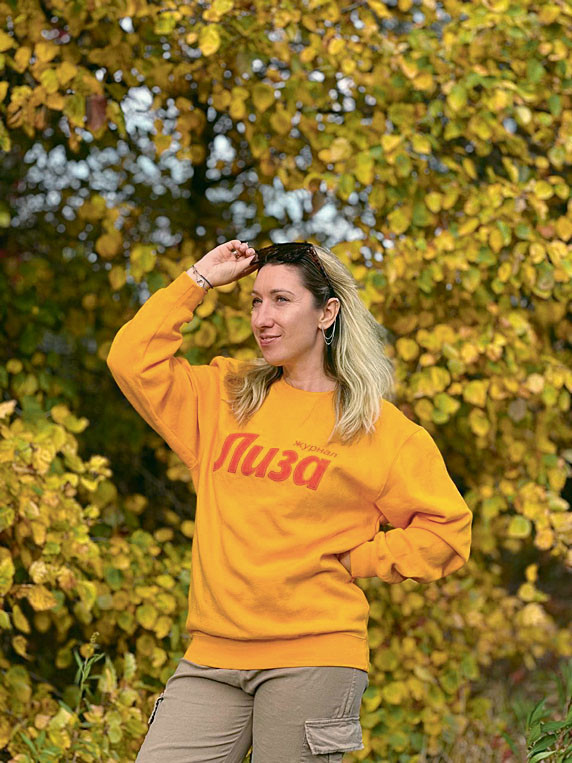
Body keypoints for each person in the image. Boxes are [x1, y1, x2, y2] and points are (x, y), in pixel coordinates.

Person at [106, 239, 473, 763]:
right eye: (256, 301)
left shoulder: (380, 430)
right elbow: (131, 359)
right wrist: (199, 278)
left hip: (314, 654)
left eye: (281, 300)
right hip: (212, 655)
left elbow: (447, 533)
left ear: (327, 313)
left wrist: (357, 560)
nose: (263, 318)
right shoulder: (227, 395)